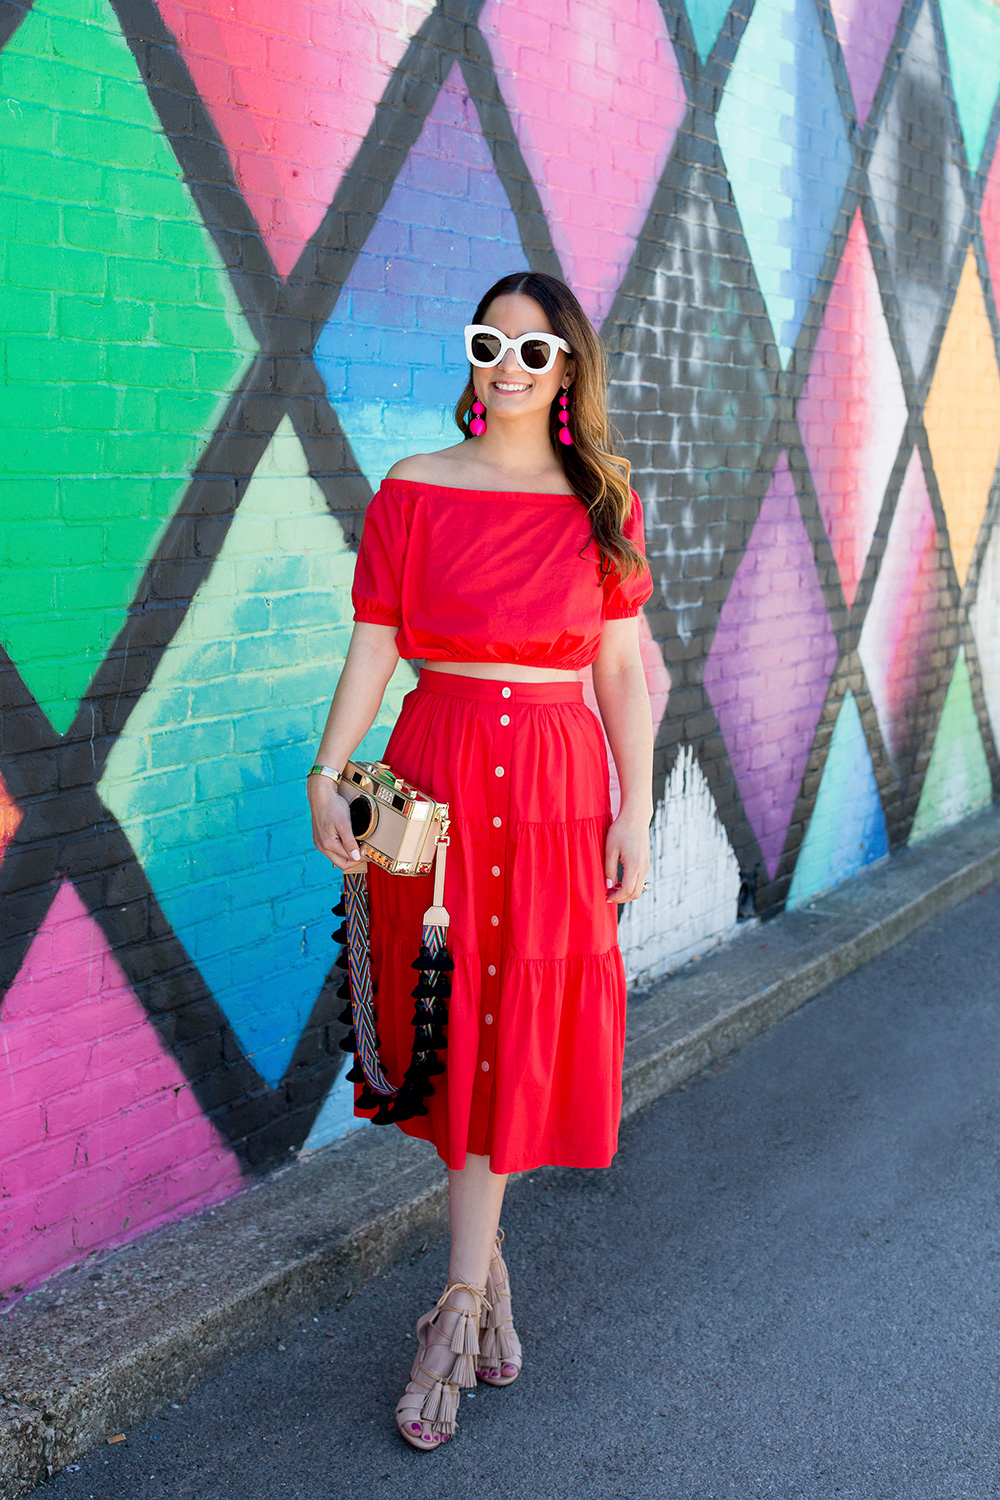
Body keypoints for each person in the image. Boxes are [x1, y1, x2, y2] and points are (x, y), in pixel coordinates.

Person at [307, 271, 654, 1450]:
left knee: (511, 1022)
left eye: (534, 351)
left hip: (557, 787)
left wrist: (636, 810)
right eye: (487, 343)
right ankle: (482, 1281)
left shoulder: (601, 497)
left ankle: (456, 1307)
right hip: (438, 777)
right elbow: (372, 646)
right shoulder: (413, 488)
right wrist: (328, 766)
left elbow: (620, 674)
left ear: (568, 371)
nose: (506, 365)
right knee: (452, 1024)